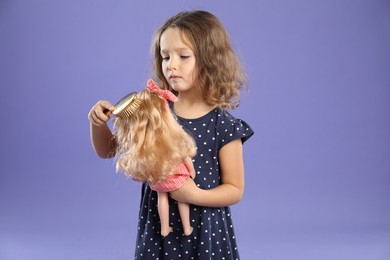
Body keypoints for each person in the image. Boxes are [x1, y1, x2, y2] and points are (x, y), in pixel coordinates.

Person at [88, 10, 254, 259]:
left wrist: (195, 195)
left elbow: (234, 189)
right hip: (159, 228)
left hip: (205, 231)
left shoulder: (222, 125)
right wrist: (98, 124)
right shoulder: (154, 111)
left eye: (183, 56)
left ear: (210, 60)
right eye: (165, 57)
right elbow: (108, 150)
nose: (171, 65)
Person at [113, 79, 197, 237]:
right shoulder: (173, 138)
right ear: (165, 115)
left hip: (158, 180)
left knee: (162, 198)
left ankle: (164, 228)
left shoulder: (145, 147)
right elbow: (185, 157)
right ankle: (187, 228)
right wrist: (192, 171)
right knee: (182, 201)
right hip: (177, 177)